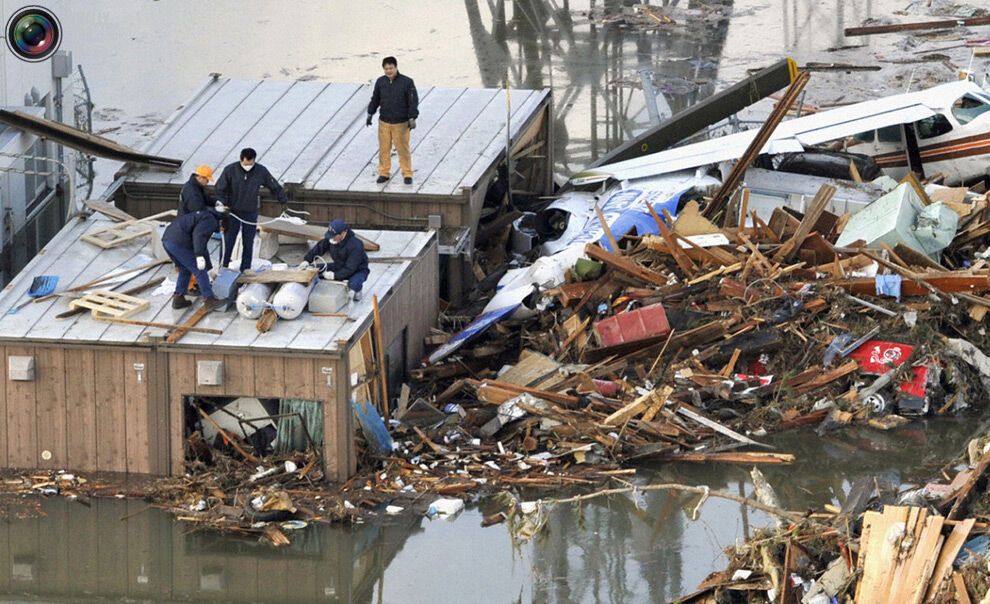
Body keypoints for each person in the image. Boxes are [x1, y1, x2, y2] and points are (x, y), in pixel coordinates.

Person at [214, 148, 288, 272]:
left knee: (248, 242)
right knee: (229, 241)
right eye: (245, 164)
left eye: (250, 164)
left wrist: (283, 200)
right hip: (232, 212)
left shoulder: (260, 171)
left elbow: (273, 185)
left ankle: (245, 269)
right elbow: (220, 188)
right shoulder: (230, 170)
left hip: (250, 211)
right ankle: (224, 267)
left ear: (254, 160)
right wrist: (222, 204)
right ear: (240, 159)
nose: (247, 166)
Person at [366, 56, 419, 185]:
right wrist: (370, 113)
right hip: (384, 122)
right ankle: (384, 173)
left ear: (396, 67)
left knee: (402, 149)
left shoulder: (407, 82)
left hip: (400, 123)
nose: (389, 71)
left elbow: (413, 101)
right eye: (386, 69)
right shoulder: (380, 82)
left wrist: (412, 117)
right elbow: (375, 99)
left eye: (391, 68)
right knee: (384, 149)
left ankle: (407, 173)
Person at [162, 208, 225, 311]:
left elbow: (202, 244)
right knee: (200, 269)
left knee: (185, 269)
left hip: (168, 240)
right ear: (222, 222)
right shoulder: (210, 220)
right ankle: (209, 300)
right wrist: (199, 256)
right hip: (179, 241)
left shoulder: (203, 215)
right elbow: (198, 236)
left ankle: (178, 298)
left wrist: (208, 264)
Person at [300, 219, 370, 300]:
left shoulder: (356, 245)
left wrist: (335, 275)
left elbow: (351, 268)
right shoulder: (331, 238)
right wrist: (307, 260)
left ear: (343, 233)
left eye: (334, 236)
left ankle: (358, 290)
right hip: (339, 265)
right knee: (310, 270)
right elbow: (319, 248)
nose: (331, 238)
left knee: (354, 284)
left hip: (357, 270)